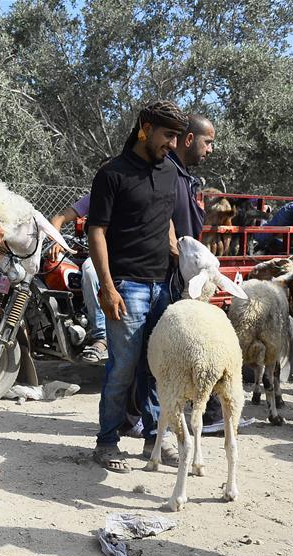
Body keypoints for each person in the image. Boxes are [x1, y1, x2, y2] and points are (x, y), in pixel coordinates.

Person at [87, 100, 186, 473]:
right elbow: (96, 230)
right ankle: (107, 443)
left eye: (176, 137)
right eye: (167, 135)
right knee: (123, 368)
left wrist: (174, 243)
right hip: (126, 287)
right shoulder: (112, 173)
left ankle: (155, 442)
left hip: (163, 287)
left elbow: (165, 218)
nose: (173, 144)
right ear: (145, 127)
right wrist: (107, 287)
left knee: (158, 368)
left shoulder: (171, 172)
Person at [165, 114, 227, 431]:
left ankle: (205, 414)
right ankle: (209, 415)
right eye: (209, 142)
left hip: (184, 277)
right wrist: (182, 267)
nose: (211, 149)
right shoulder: (169, 177)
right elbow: (166, 226)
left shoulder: (183, 177)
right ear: (189, 139)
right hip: (175, 280)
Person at [49, 191, 108, 364]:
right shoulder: (96, 196)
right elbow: (59, 218)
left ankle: (101, 336)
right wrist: (55, 239)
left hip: (117, 255)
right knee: (57, 265)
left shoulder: (127, 194)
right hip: (95, 252)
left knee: (90, 269)